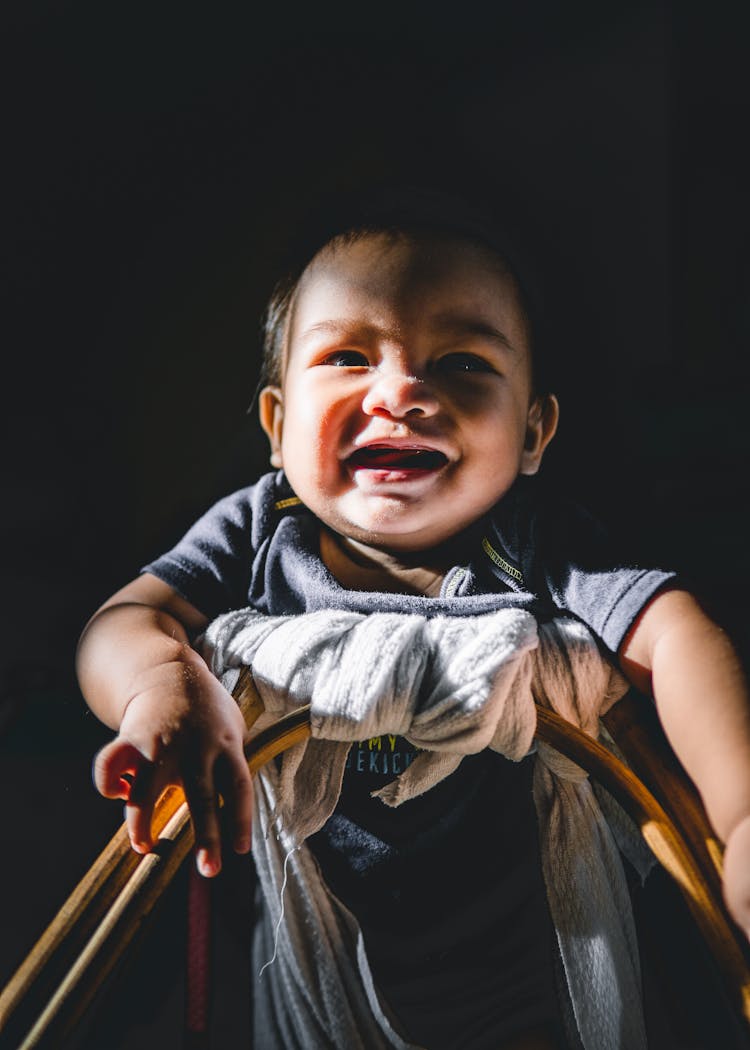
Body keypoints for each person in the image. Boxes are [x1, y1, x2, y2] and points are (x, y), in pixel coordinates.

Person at [76, 189, 750, 1049]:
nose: (400, 391)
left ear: (534, 433)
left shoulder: (537, 547)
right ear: (278, 427)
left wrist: (740, 816)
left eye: (463, 362)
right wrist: (164, 685)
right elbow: (125, 620)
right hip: (317, 969)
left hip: (535, 972)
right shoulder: (260, 530)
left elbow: (676, 633)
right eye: (350, 358)